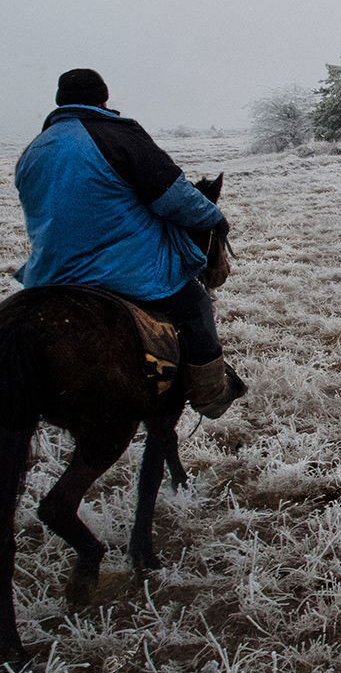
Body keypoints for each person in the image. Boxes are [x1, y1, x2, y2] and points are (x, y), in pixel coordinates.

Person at [13, 68, 246, 418]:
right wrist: (213, 218)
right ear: (103, 99)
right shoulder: (117, 135)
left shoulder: (34, 150)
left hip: (50, 273)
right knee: (194, 304)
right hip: (122, 268)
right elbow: (173, 196)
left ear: (60, 102)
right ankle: (211, 395)